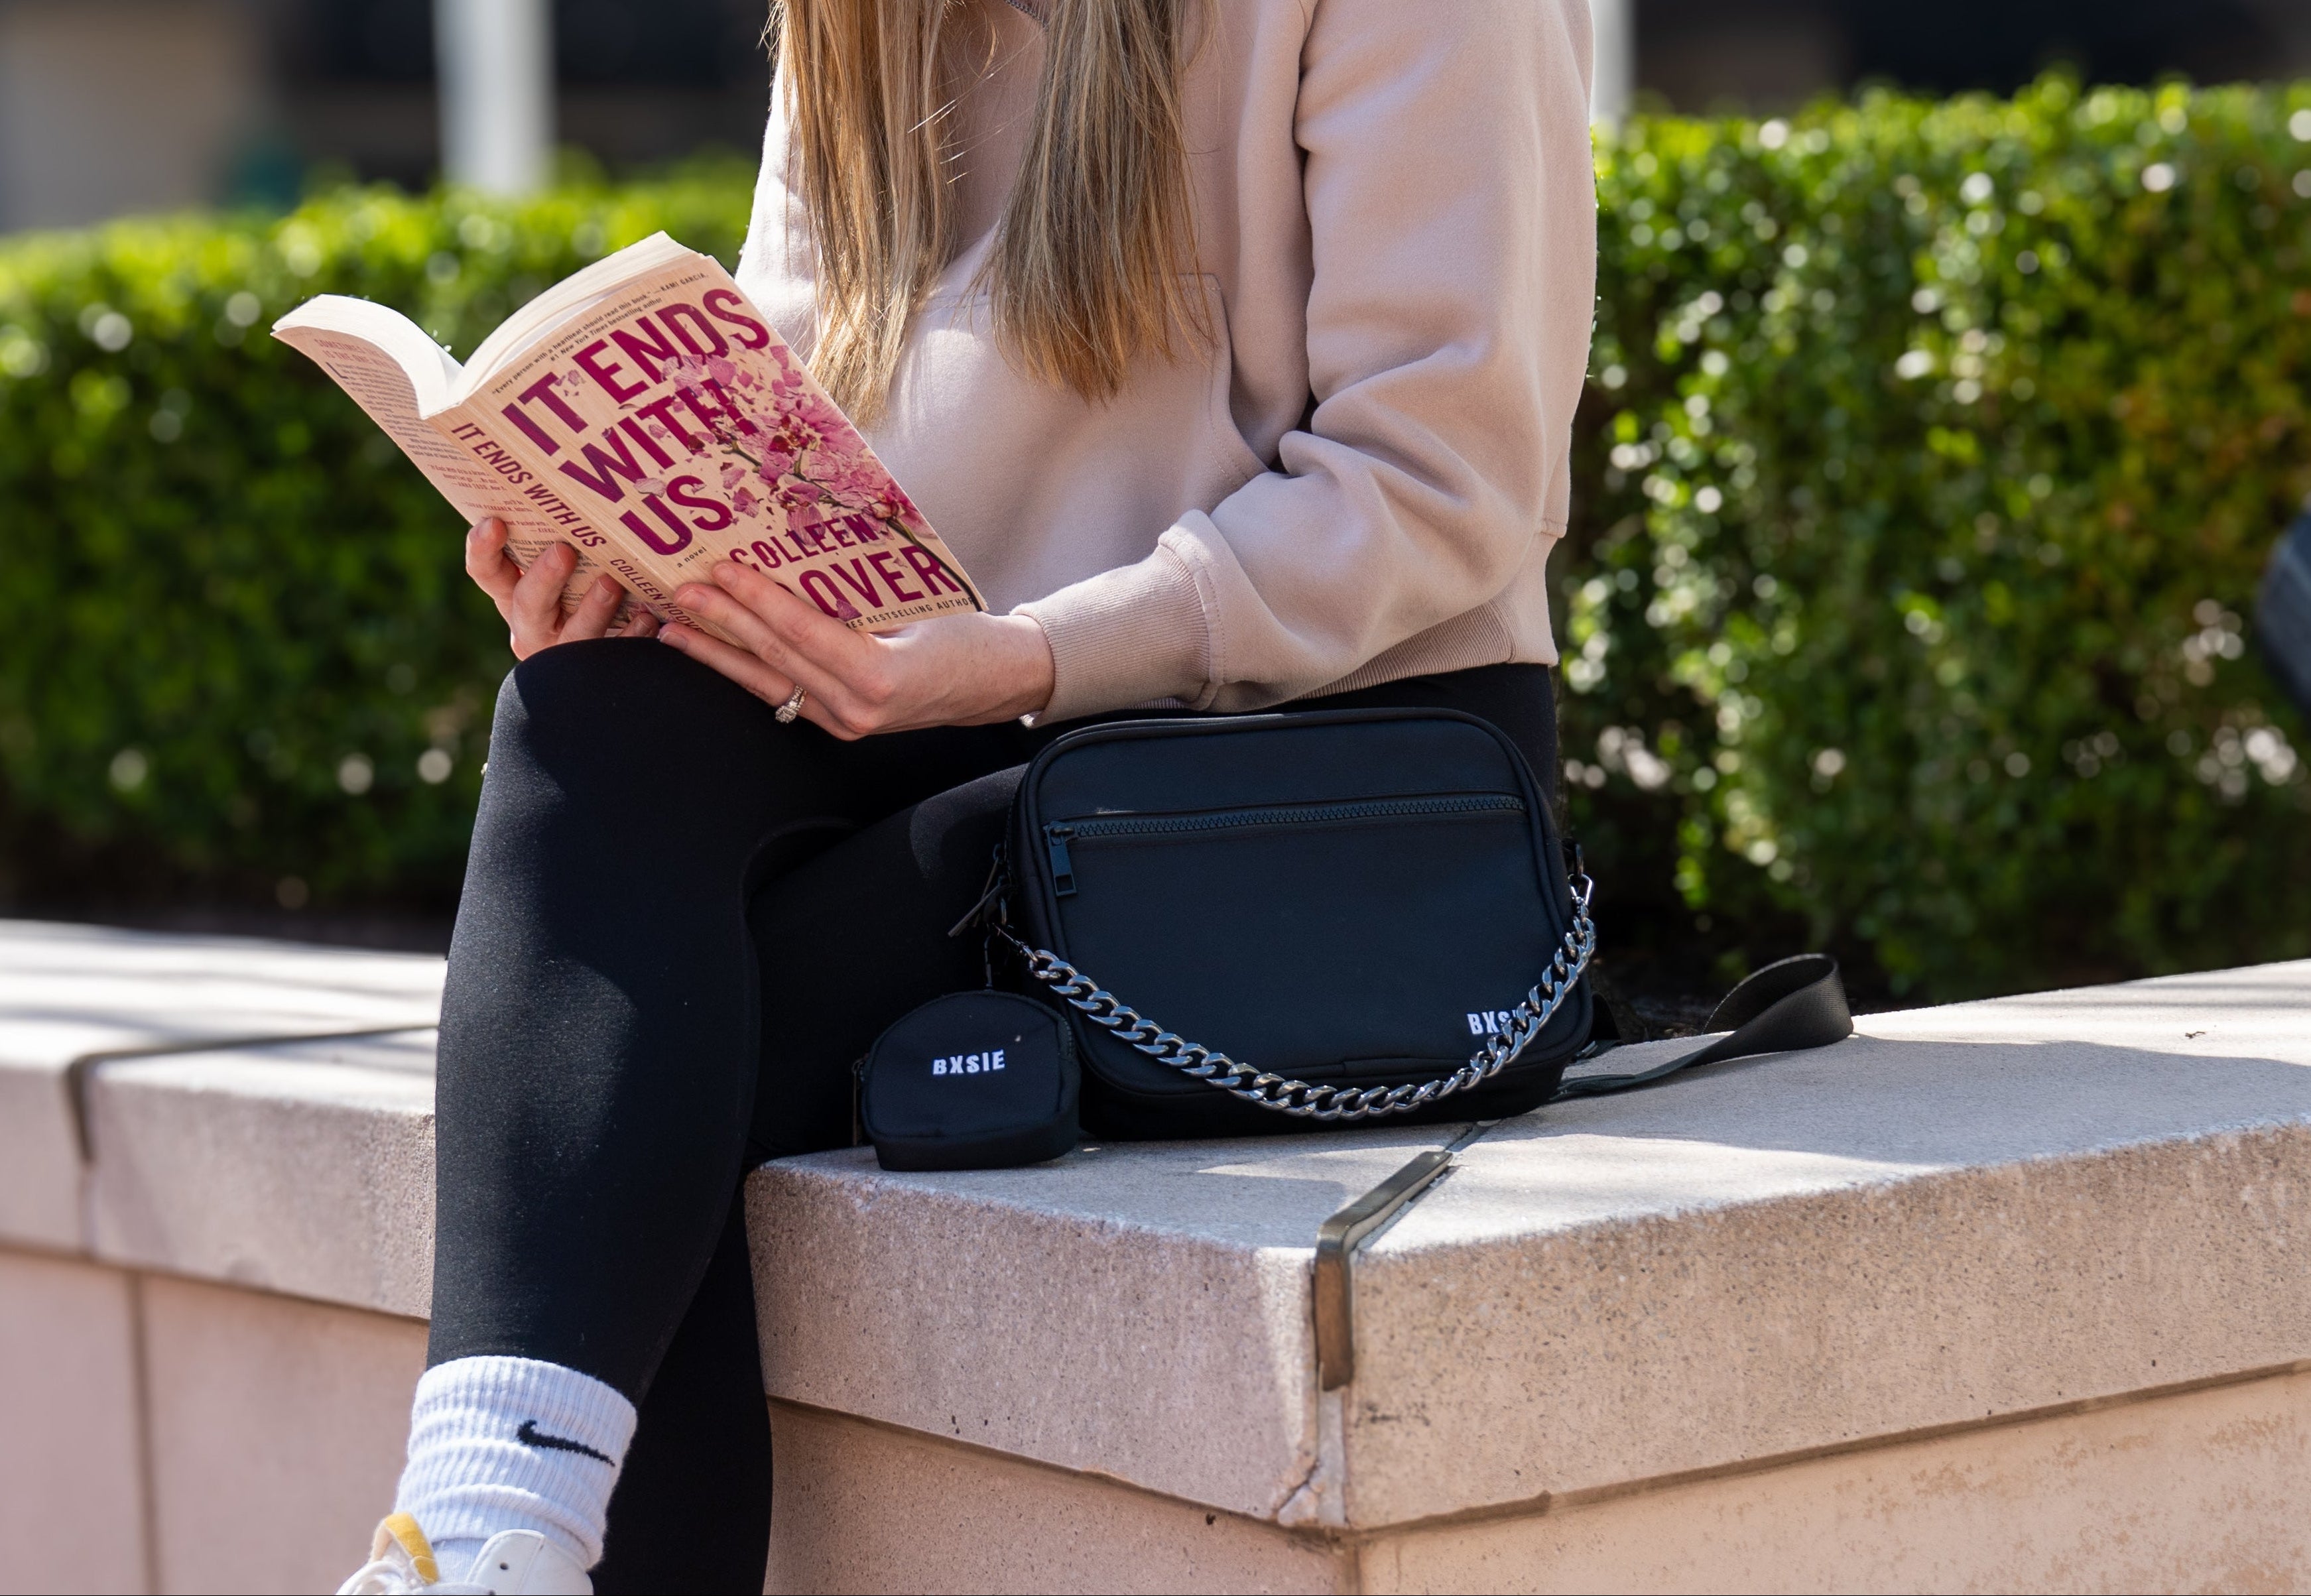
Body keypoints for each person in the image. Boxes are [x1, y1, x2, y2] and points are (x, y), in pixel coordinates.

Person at [338, 0, 1592, 1589]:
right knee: (594, 719)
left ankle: (492, 1538)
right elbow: (801, 443)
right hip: (961, 721)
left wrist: (1017, 661)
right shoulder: (857, 22)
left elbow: (1446, 484)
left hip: (1311, 765)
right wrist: (650, 582)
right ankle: (481, 1534)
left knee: (649, 1067)